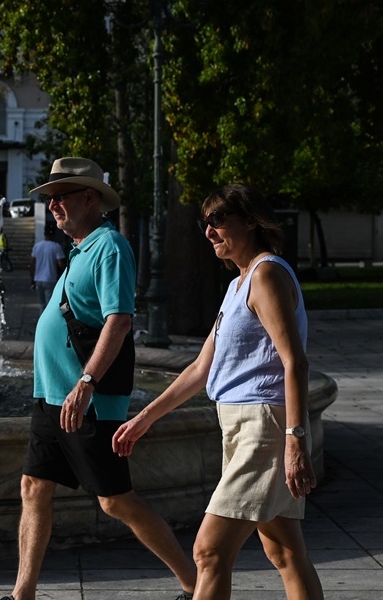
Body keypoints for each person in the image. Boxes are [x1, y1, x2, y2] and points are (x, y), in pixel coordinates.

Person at [113, 184, 323, 600]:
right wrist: (144, 417)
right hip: (241, 424)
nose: (208, 231)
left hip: (264, 425)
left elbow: (294, 362)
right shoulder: (238, 285)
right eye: (204, 222)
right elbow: (199, 368)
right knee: (283, 551)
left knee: (208, 551)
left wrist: (295, 440)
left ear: (250, 221)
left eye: (218, 220)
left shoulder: (266, 274)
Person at [1, 157, 196, 600]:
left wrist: (85, 383)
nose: (53, 206)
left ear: (90, 197)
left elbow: (119, 320)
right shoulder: (80, 249)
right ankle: (22, 595)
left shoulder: (110, 246)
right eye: (50, 199)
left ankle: (196, 584)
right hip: (52, 397)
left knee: (115, 500)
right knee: (33, 486)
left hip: (86, 400)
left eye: (61, 197)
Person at [29, 225, 66, 308]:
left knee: (42, 304)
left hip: (38, 279)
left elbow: (32, 264)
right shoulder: (56, 246)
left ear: (44, 234)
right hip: (50, 279)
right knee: (49, 305)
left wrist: (32, 278)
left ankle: (41, 320)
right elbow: (60, 263)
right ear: (54, 235)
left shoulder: (37, 246)